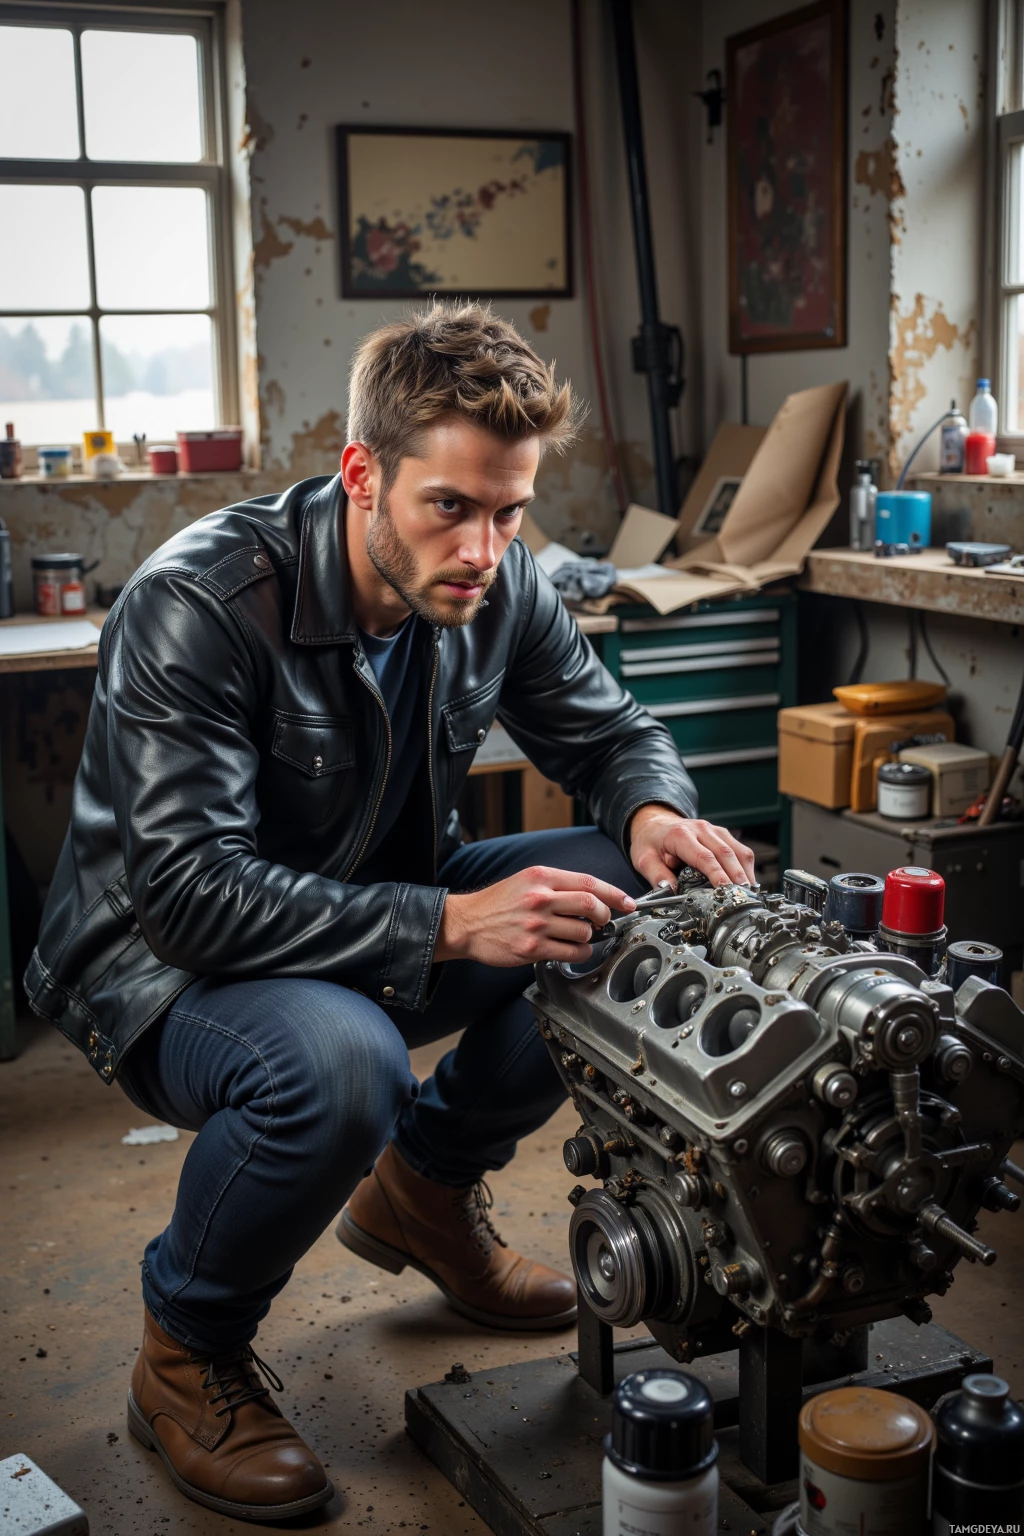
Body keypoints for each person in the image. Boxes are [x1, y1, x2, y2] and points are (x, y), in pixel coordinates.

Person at [27, 302, 755, 1522]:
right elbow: (188, 896)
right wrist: (447, 927)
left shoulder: (498, 583)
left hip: (367, 910)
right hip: (161, 969)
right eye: (451, 508)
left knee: (633, 902)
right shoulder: (200, 605)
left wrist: (647, 814)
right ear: (363, 474)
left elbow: (612, 729)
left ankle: (424, 1189)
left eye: (511, 510)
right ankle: (184, 1353)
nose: (485, 547)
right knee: (341, 1064)